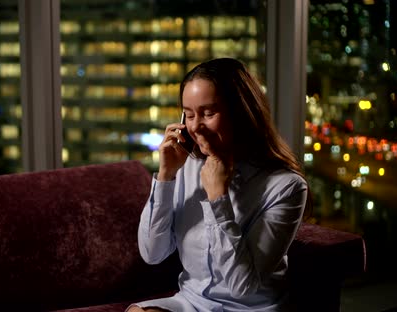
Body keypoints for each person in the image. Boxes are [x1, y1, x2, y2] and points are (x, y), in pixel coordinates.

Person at [127, 58, 310, 312]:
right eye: (189, 114)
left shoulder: (287, 187)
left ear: (241, 112)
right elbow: (152, 253)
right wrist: (166, 176)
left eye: (208, 113)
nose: (195, 126)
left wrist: (218, 198)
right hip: (192, 302)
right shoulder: (186, 166)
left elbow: (241, 286)